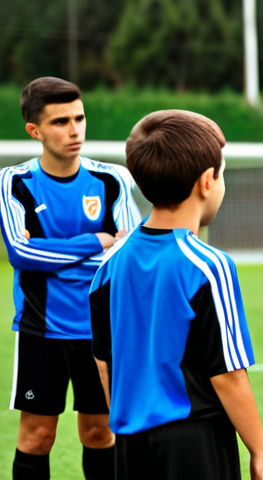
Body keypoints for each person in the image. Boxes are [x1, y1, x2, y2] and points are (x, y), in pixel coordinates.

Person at [89, 109, 263, 480]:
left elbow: (104, 364)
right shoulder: (208, 265)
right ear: (208, 181)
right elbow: (228, 376)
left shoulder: (108, 265)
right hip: (195, 440)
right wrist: (259, 453)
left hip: (129, 440)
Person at [1, 77, 141, 480]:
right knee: (37, 435)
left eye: (79, 118)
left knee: (100, 433)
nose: (75, 129)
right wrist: (95, 240)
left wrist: (52, 253)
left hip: (100, 328)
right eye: (60, 121)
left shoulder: (112, 180)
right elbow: (20, 253)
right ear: (35, 130)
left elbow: (125, 253)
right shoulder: (14, 182)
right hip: (41, 328)